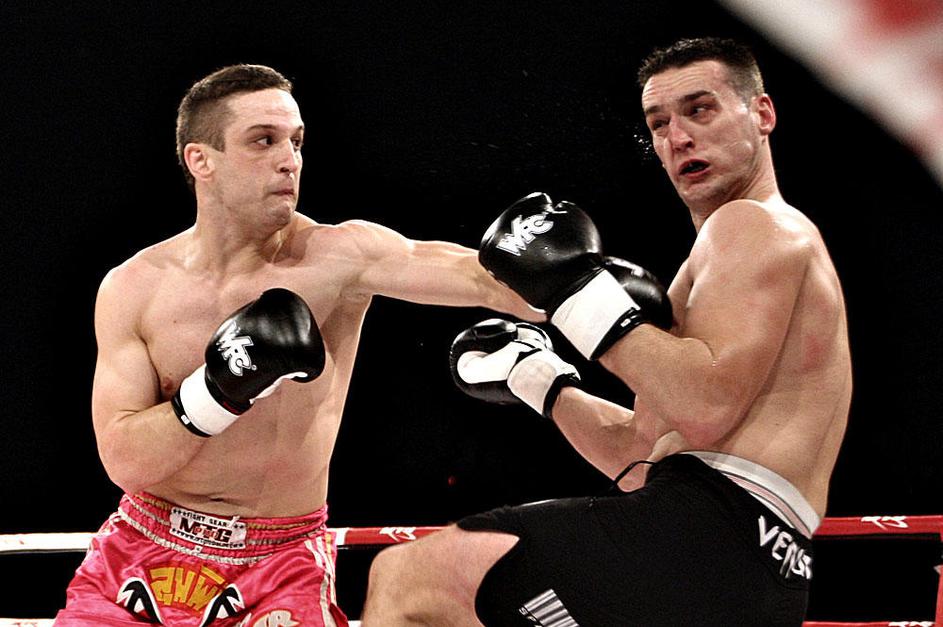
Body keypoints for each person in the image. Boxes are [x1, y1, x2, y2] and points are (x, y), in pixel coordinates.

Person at [361, 37, 852, 625]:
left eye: (700, 110)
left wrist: (573, 292)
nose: (679, 137)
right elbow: (641, 454)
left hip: (708, 535)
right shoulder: (726, 260)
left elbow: (704, 404)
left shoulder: (754, 224)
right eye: (659, 123)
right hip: (745, 570)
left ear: (762, 113)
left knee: (410, 579)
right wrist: (537, 377)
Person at [55, 64, 537, 627]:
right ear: (201, 160)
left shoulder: (341, 258)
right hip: (142, 547)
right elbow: (124, 460)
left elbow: (488, 282)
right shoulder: (133, 288)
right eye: (264, 140)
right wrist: (218, 392)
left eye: (296, 141)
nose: (290, 160)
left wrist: (571, 278)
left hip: (278, 564)